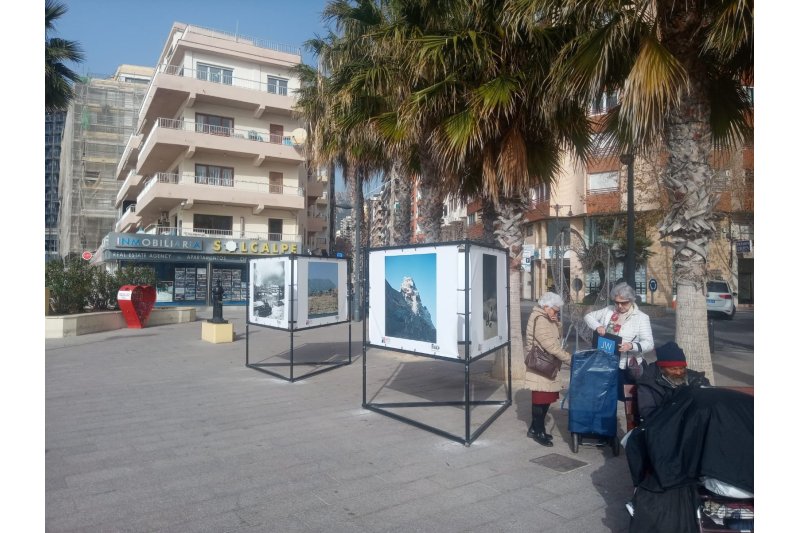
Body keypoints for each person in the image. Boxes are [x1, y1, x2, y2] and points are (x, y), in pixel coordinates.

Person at [583, 282, 654, 420]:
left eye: (624, 303)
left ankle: (632, 434)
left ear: (631, 300)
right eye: (617, 302)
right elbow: (588, 317)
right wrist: (598, 326)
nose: (620, 306)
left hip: (627, 366)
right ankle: (608, 433)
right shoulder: (608, 310)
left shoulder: (641, 318)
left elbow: (649, 343)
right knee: (607, 400)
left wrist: (631, 346)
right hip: (606, 363)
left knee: (631, 404)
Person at [524, 292, 572, 447]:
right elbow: (550, 345)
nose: (556, 313)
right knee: (540, 400)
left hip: (546, 365)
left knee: (545, 400)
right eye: (555, 310)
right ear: (546, 307)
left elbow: (557, 336)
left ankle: (534, 429)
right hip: (541, 365)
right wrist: (569, 359)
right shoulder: (540, 320)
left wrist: (556, 322)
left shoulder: (546, 317)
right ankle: (538, 431)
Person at [636, 341, 710, 424]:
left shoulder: (696, 378)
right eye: (673, 369)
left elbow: (708, 403)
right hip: (663, 425)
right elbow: (648, 413)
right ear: (662, 368)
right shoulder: (648, 382)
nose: (678, 372)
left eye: (681, 368)